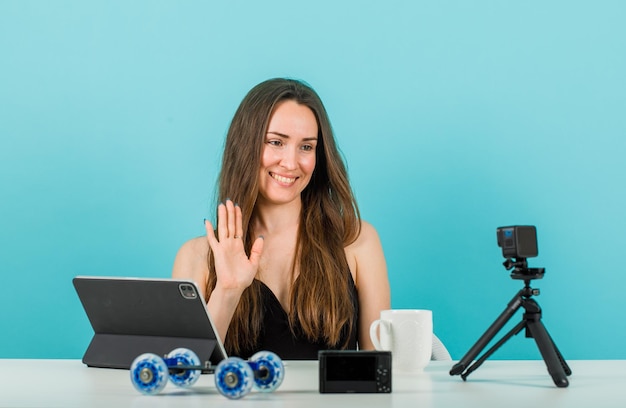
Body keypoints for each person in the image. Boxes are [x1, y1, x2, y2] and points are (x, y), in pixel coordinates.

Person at [172, 78, 390, 359]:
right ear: (245, 147)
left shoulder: (358, 241)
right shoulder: (196, 257)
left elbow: (382, 374)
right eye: (276, 142)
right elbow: (186, 375)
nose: (291, 162)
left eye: (306, 147)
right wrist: (227, 291)